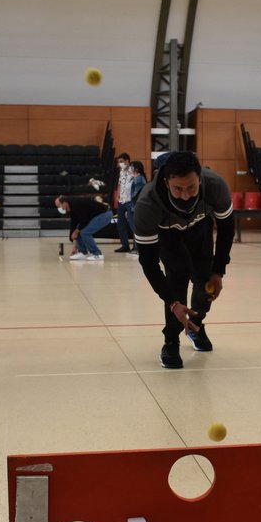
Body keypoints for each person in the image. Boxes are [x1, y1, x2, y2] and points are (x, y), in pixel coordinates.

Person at [132, 151, 235, 369]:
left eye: (191, 187)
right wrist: (172, 302)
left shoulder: (215, 185)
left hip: (200, 228)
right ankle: (171, 340)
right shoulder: (147, 204)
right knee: (177, 280)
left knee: (205, 282)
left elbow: (227, 229)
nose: (186, 195)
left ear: (200, 179)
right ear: (167, 182)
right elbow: (148, 262)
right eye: (178, 188)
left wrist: (218, 271)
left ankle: (196, 325)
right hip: (168, 235)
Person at [56, 193, 113, 260]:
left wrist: (76, 232)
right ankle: (82, 253)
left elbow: (84, 222)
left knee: (85, 232)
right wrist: (74, 248)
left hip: (104, 214)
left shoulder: (76, 204)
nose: (59, 208)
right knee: (79, 230)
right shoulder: (71, 209)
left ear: (65, 203)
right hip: (95, 216)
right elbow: (74, 227)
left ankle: (97, 254)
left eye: (59, 206)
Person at [113, 152, 134, 253]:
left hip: (130, 200)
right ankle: (125, 245)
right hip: (121, 201)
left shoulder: (133, 170)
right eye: (118, 162)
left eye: (121, 162)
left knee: (132, 224)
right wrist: (117, 195)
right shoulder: (121, 171)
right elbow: (120, 183)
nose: (120, 164)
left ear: (127, 161)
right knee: (120, 224)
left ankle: (136, 247)